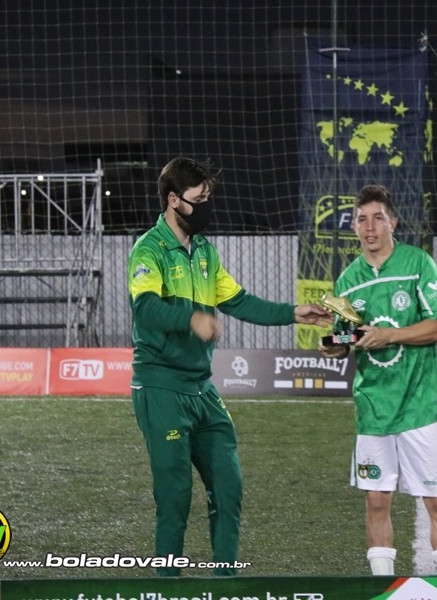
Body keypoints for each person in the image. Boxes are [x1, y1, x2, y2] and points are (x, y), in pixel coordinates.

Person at [127, 157, 331, 576]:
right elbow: (145, 308)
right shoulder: (149, 249)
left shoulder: (204, 251)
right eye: (198, 198)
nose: (205, 206)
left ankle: (225, 583)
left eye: (208, 197)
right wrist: (191, 318)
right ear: (173, 200)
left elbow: (239, 302)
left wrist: (294, 313)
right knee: (175, 496)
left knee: (228, 484)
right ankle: (167, 585)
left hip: (202, 389)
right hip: (161, 387)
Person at [319, 184, 437, 576]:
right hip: (374, 409)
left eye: (377, 218)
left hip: (418, 405)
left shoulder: (418, 263)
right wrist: (333, 345)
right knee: (376, 502)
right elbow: (347, 338)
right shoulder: (347, 281)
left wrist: (389, 336)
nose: (369, 227)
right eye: (361, 219)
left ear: (392, 223)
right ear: (353, 226)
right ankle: (382, 590)